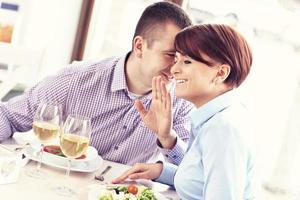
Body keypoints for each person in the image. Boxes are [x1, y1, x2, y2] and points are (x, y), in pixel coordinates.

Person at [0, 2, 193, 165]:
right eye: (171, 56)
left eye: (185, 60)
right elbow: (8, 115)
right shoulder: (76, 80)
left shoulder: (182, 100)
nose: (178, 69)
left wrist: (168, 137)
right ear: (140, 46)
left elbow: (192, 172)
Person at [113, 24, 256, 200]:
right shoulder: (219, 117)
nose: (174, 70)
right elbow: (203, 181)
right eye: (176, 59)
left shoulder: (222, 129)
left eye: (187, 61)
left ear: (221, 73)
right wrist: (162, 169)